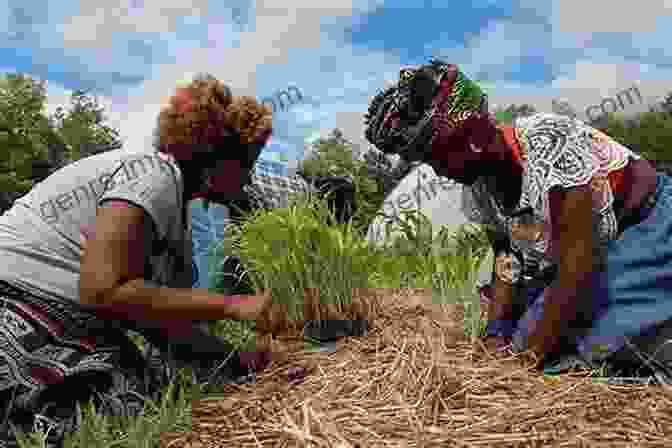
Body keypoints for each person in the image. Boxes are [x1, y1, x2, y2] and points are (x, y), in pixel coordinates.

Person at [0, 74, 292, 446]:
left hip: (56, 310)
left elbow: (157, 322)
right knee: (111, 408)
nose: (249, 180)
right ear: (218, 160)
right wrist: (233, 305)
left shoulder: (174, 223)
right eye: (247, 164)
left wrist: (239, 359)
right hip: (18, 296)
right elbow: (103, 290)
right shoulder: (153, 174)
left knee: (147, 393)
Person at [364, 60, 672, 379]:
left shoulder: (549, 143)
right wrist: (496, 333)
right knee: (521, 333)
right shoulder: (479, 191)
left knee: (585, 347)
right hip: (592, 255)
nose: (440, 170)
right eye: (430, 161)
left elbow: (579, 266)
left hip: (648, 227)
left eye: (441, 154)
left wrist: (522, 364)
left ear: (474, 133)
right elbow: (507, 260)